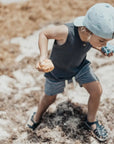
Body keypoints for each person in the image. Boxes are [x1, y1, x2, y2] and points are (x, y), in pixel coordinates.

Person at [27, 3, 114, 142]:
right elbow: (44, 34)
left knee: (96, 91)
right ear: (88, 30)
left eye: (107, 42)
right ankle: (36, 116)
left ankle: (91, 121)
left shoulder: (92, 35)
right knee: (50, 98)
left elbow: (94, 42)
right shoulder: (66, 32)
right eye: (102, 41)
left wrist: (102, 48)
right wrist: (43, 57)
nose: (104, 44)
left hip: (80, 67)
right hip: (57, 71)